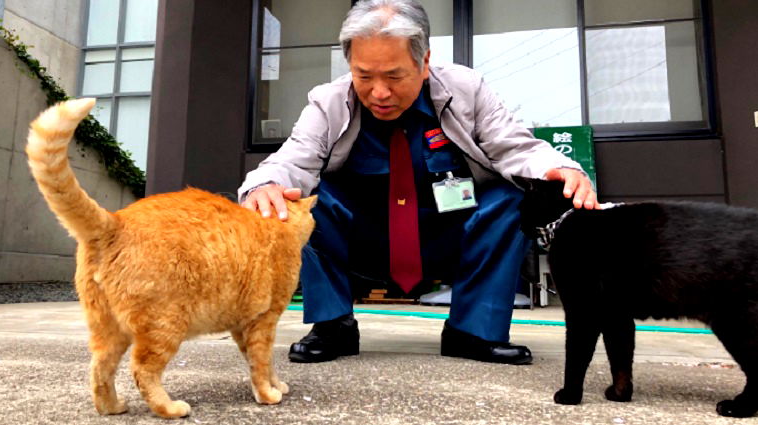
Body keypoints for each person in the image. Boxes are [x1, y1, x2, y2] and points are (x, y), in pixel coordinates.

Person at [238, 0, 597, 366]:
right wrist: (264, 184)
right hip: (364, 241)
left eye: (394, 76)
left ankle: (473, 331)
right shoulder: (328, 101)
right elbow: (293, 158)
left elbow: (515, 147)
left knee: (512, 197)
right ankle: (333, 326)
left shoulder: (467, 90)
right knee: (302, 198)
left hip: (453, 236)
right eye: (364, 76)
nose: (379, 92)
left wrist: (560, 168)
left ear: (424, 62)